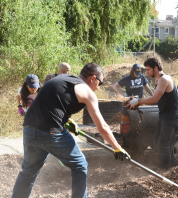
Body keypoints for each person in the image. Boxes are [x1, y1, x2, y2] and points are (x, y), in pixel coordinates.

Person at [12, 63, 130, 198]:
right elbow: (102, 127)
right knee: (80, 165)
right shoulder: (87, 92)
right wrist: (117, 148)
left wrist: (67, 120)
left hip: (29, 129)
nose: (98, 87)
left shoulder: (60, 79)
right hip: (50, 133)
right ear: (93, 78)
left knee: (28, 172)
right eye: (100, 83)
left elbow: (52, 101)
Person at [127, 57, 178, 170]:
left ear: (155, 68)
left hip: (171, 116)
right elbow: (154, 97)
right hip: (164, 115)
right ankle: (162, 162)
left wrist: (138, 101)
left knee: (163, 144)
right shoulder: (158, 80)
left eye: (148, 69)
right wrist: (138, 100)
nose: (146, 72)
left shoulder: (164, 79)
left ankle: (164, 170)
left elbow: (155, 99)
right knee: (156, 140)